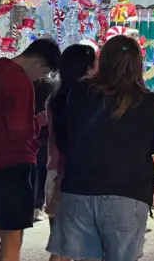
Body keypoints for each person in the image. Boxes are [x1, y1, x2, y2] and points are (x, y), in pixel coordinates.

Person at [46, 36, 154, 261]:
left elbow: (66, 135)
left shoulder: (80, 92)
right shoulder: (147, 101)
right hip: (128, 191)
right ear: (138, 62)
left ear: (103, 59)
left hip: (80, 188)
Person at [0, 38, 61, 261]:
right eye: (44, 73)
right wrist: (40, 120)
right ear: (39, 64)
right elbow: (19, 130)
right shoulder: (20, 82)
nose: (40, 79)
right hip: (12, 165)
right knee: (13, 236)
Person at [43, 44, 96, 233]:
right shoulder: (92, 99)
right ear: (88, 68)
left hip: (56, 171)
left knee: (60, 245)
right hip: (84, 174)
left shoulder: (55, 99)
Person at [34, 69, 59, 221]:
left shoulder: (28, 86)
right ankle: (39, 205)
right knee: (45, 170)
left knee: (35, 170)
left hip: (30, 133)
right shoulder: (55, 86)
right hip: (48, 134)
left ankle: (34, 205)